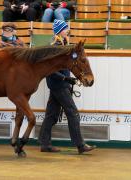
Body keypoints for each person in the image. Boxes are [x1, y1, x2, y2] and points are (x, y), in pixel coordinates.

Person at [38, 19, 96, 154]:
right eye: (65, 29)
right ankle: (80, 145)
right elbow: (50, 68)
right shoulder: (55, 46)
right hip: (59, 84)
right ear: (59, 31)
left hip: (59, 84)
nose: (67, 31)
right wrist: (65, 78)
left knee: (51, 115)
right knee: (73, 113)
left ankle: (44, 144)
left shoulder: (63, 44)